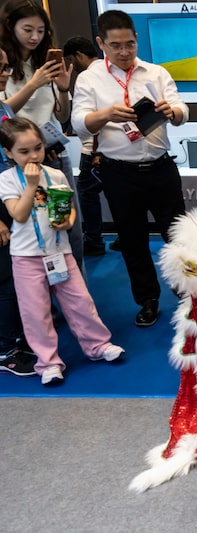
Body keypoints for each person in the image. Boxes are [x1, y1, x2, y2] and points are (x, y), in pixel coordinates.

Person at [71, 9, 188, 328]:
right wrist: (106, 114)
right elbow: (79, 123)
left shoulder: (156, 72)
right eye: (115, 45)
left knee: (178, 236)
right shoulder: (89, 79)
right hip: (118, 172)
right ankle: (147, 300)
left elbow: (181, 110)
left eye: (129, 44)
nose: (124, 52)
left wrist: (172, 112)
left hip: (161, 168)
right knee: (133, 240)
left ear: (137, 39)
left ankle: (188, 295)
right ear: (101, 43)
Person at [0, 117, 124, 385]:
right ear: (8, 153)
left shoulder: (55, 174)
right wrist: (31, 185)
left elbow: (67, 207)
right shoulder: (7, 180)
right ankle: (48, 362)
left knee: (80, 302)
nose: (33, 155)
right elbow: (19, 216)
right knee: (36, 312)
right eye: (23, 151)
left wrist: (69, 220)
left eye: (37, 148)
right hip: (26, 257)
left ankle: (98, 345)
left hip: (60, 252)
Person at [0, 0, 83, 273]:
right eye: (27, 29)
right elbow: (4, 114)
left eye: (40, 30)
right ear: (10, 27)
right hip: (16, 161)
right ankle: (39, 302)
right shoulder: (4, 65)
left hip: (53, 154)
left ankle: (74, 293)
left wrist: (61, 89)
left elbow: (61, 118)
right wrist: (34, 83)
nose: (35, 37)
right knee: (30, 230)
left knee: (69, 228)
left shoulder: (44, 61)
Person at [0, 47, 35, 378]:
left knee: (14, 274)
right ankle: (5, 349)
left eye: (6, 67)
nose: (4, 73)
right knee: (4, 280)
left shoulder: (2, 107)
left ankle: (18, 338)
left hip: (10, 190)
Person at [63, 35, 104, 257]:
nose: (71, 66)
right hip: (111, 149)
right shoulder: (109, 72)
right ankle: (125, 238)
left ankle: (94, 241)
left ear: (78, 55)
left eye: (71, 60)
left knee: (87, 195)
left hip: (93, 149)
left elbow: (87, 118)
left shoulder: (86, 77)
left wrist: (95, 150)